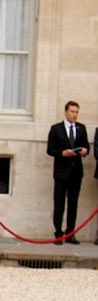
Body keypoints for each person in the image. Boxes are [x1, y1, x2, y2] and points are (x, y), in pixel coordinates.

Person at [47, 101, 90, 244]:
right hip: (61, 172)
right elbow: (50, 149)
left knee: (73, 204)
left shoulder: (81, 128)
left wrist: (84, 151)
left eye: (76, 112)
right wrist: (62, 153)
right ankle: (58, 233)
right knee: (59, 203)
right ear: (66, 112)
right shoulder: (56, 129)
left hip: (76, 172)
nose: (74, 115)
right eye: (72, 112)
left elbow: (86, 147)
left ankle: (70, 233)